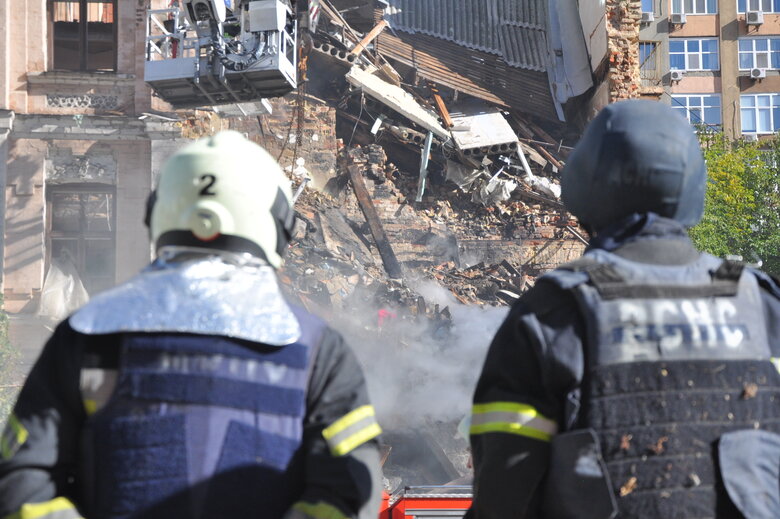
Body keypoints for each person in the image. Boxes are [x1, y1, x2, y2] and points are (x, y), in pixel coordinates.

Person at [0, 131, 383, 519]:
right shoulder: (316, 350)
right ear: (279, 224)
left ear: (156, 213)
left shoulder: (87, 333)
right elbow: (350, 490)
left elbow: (23, 479)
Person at [465, 100, 780, 519]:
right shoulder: (760, 304)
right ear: (692, 187)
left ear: (583, 185)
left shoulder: (556, 312)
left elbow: (504, 497)